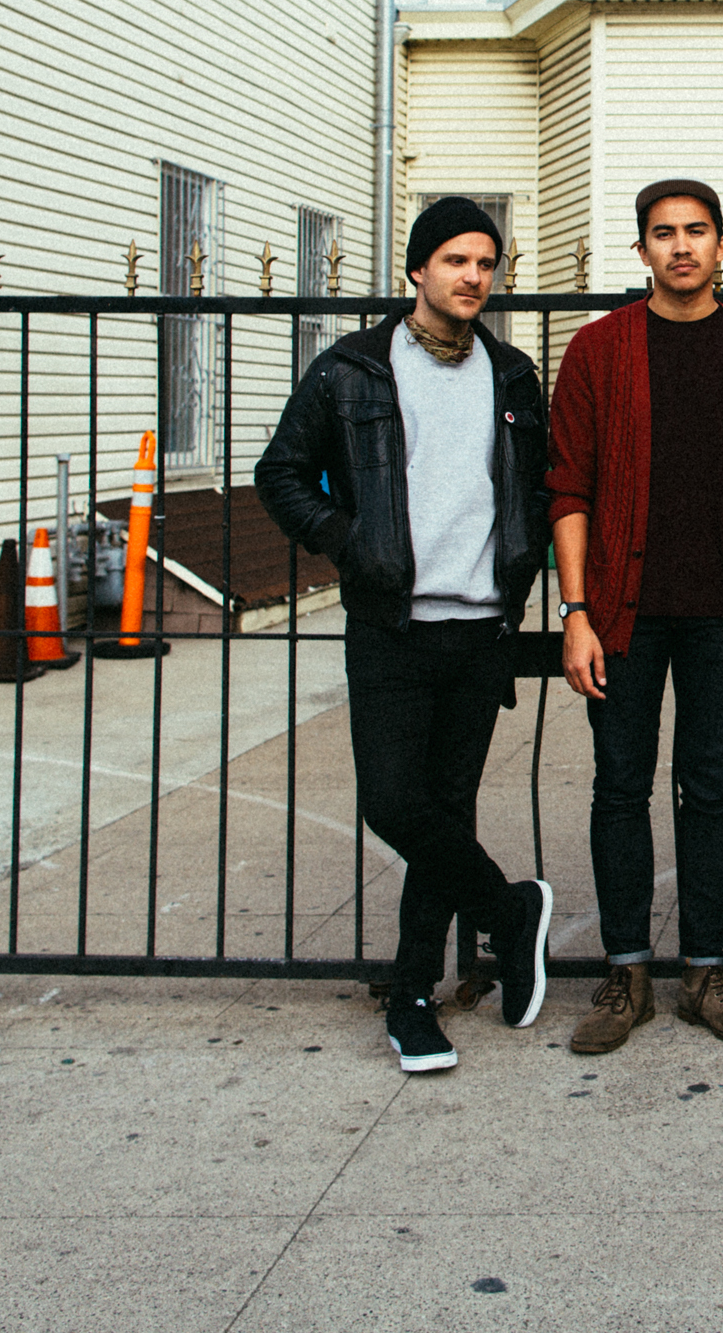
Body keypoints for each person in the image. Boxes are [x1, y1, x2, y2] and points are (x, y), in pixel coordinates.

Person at [254, 196, 555, 1072]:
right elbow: (280, 473)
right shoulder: (351, 369)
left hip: (481, 627)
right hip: (391, 625)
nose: (473, 276)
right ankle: (509, 912)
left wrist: (524, 555)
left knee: (444, 814)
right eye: (456, 260)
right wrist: (351, 542)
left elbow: (536, 488)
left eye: (486, 263)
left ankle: (413, 996)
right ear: (417, 269)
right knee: (393, 802)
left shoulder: (512, 374)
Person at [549, 179, 723, 1052]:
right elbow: (568, 488)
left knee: (710, 789)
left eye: (697, 232)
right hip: (623, 614)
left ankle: (704, 972)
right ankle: (626, 973)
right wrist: (576, 612)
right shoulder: (598, 349)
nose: (681, 246)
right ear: (642, 250)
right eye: (664, 233)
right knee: (619, 785)